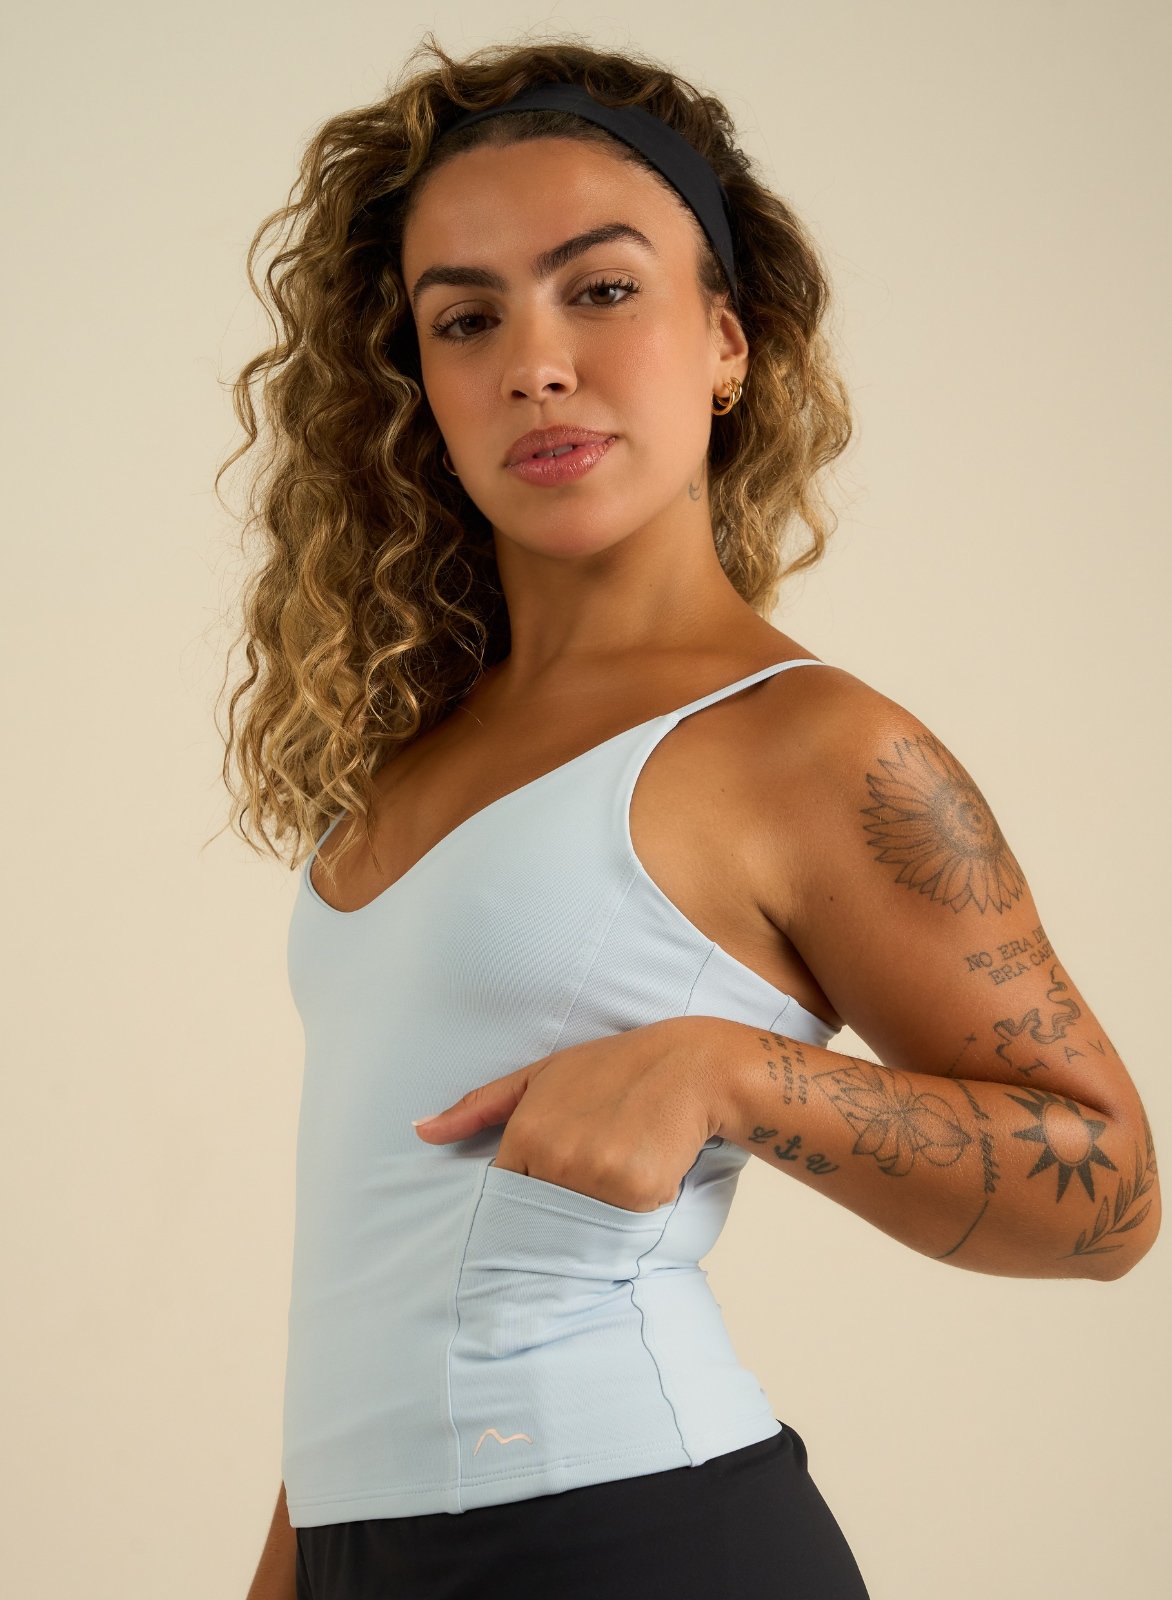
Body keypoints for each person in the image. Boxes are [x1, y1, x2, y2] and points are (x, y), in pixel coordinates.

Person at [227, 31, 1160, 1600]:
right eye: (467, 318)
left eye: (600, 290)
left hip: (635, 1542)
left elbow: (1112, 1191)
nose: (536, 363)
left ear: (727, 343)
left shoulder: (812, 745)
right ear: (420, 386)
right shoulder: (418, 750)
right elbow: (379, 1268)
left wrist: (730, 1071)